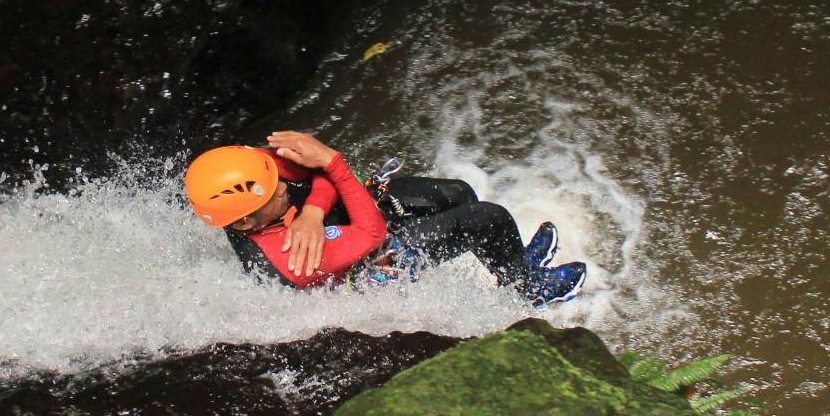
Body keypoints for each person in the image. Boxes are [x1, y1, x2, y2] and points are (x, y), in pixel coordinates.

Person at [184, 129, 587, 307]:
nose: (282, 185)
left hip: (335, 223)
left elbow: (312, 170)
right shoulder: (291, 255)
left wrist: (311, 209)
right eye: (274, 194)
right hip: (364, 269)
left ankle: (510, 267)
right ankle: (529, 289)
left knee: (458, 194)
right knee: (487, 218)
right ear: (244, 224)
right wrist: (336, 167)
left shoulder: (253, 172)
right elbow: (371, 234)